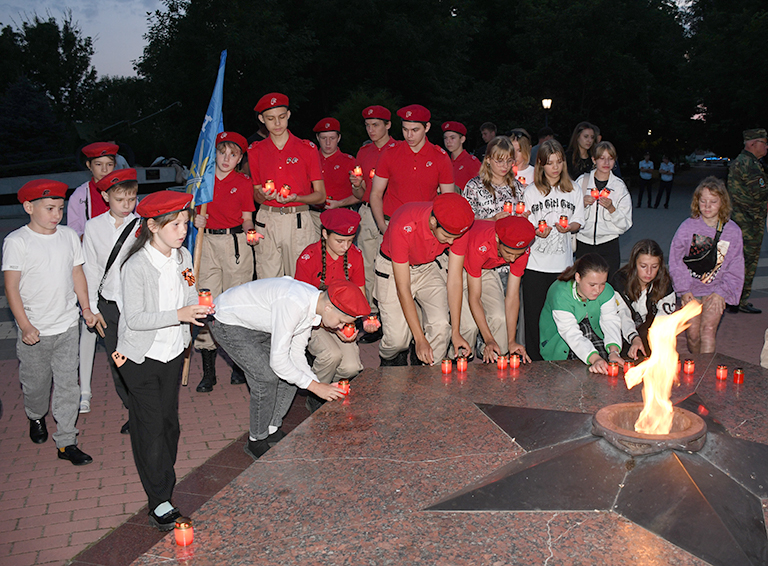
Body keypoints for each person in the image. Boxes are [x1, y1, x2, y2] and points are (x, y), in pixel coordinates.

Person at [115, 190, 210, 531]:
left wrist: (196, 307)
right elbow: (136, 318)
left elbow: (189, 288)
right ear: (152, 226)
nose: (183, 230)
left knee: (170, 424)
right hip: (139, 358)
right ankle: (160, 501)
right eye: (175, 225)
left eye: (185, 223)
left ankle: (161, 483)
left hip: (173, 353)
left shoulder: (183, 257)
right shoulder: (136, 267)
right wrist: (180, 313)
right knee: (151, 427)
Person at [211, 278, 369, 459]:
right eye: (342, 321)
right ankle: (256, 440)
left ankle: (272, 428)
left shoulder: (312, 306)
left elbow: (296, 353)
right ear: (329, 307)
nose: (341, 327)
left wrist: (316, 384)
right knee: (266, 378)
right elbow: (279, 362)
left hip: (255, 324)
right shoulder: (294, 304)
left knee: (294, 373)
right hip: (227, 321)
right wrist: (315, 387)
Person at [3, 179, 97, 464]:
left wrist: (86, 308)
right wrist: (26, 325)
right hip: (35, 332)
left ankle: (66, 441)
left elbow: (77, 274)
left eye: (60, 208)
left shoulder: (69, 236)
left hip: (67, 325)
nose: (57, 214)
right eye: (49, 208)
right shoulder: (17, 242)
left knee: (68, 385)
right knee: (36, 386)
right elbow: (11, 288)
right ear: (29, 207)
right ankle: (35, 415)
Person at [375, 193, 474, 366]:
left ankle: (427, 376)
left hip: (428, 266)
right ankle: (390, 359)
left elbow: (455, 281)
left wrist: (456, 332)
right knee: (397, 340)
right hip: (392, 268)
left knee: (442, 327)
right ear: (434, 222)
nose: (451, 242)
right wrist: (419, 338)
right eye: (447, 237)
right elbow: (403, 287)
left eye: (455, 238)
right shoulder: (405, 223)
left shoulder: (458, 228)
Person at [192, 131, 256, 393]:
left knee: (236, 304)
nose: (226, 158)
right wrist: (194, 219)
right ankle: (209, 370)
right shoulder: (202, 180)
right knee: (207, 303)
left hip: (234, 245)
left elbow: (247, 217)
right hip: (206, 245)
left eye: (233, 154)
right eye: (222, 152)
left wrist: (251, 231)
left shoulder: (243, 182)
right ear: (214, 154)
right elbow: (190, 209)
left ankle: (239, 366)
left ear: (240, 158)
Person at [295, 209, 370, 412]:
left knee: (352, 367)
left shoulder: (355, 256)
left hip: (341, 321)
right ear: (324, 234)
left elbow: (359, 298)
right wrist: (334, 328)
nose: (345, 247)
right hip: (313, 320)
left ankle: (331, 387)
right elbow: (300, 304)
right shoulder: (309, 257)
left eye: (350, 240)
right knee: (331, 355)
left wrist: (355, 325)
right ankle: (316, 396)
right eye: (339, 241)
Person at [82, 169, 139, 430]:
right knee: (118, 360)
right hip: (109, 306)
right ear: (105, 196)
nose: (127, 205)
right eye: (120, 200)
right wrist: (92, 308)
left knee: (141, 358)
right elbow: (91, 268)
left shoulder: (143, 224)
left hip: (137, 304)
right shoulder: (93, 227)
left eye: (132, 199)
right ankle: (131, 408)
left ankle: (144, 409)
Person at [247, 92, 325, 278]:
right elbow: (256, 193)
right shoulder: (256, 150)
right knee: (268, 281)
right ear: (261, 119)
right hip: (267, 219)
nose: (277, 123)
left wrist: (297, 197)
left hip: (298, 219)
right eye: (270, 118)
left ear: (289, 115)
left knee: (300, 280)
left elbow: (320, 195)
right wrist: (264, 196)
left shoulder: (307, 149)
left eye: (282, 117)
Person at [522, 140, 585, 361]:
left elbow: (579, 220)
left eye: (559, 162)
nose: (555, 168)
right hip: (535, 266)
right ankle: (533, 360)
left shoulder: (574, 188)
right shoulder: (531, 192)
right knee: (534, 316)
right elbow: (525, 224)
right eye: (549, 163)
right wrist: (535, 232)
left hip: (563, 267)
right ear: (540, 165)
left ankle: (559, 359)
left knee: (562, 317)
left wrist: (569, 227)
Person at [69, 142, 118, 414]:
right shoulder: (80, 196)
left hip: (118, 268)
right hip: (90, 266)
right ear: (89, 166)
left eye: (109, 165)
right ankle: (84, 391)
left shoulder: (119, 191)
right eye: (99, 165)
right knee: (88, 328)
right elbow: (73, 232)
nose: (104, 170)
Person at [669, 176, 744, 354]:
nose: (707, 206)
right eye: (703, 201)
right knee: (693, 335)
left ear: (722, 203)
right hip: (691, 289)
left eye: (713, 201)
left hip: (716, 290)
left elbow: (736, 266)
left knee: (708, 331)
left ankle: (706, 376)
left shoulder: (732, 231)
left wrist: (722, 293)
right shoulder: (687, 227)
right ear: (697, 201)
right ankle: (697, 368)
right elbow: (675, 260)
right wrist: (684, 290)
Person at [447, 216, 535, 363]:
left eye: (517, 255)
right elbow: (474, 298)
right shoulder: (481, 242)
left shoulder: (521, 250)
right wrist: (488, 339)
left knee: (500, 318)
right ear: (497, 239)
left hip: (485, 268)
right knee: (469, 326)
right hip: (459, 266)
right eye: (508, 253)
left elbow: (512, 297)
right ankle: (454, 360)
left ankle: (497, 361)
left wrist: (511, 341)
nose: (512, 260)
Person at [370, 104, 454, 236]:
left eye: (415, 130)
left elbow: (448, 199)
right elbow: (376, 193)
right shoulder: (389, 153)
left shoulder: (440, 157)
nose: (409, 135)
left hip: (425, 227)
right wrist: (382, 226)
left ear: (427, 127)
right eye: (405, 129)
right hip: (393, 223)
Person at [539, 253, 623, 374]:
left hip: (592, 331)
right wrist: (596, 359)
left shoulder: (607, 291)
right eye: (592, 285)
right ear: (578, 278)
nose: (598, 290)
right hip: (560, 340)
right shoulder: (560, 294)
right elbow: (570, 332)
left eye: (602, 283)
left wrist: (614, 352)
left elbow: (610, 320)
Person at [355, 105, 397, 337]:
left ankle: (391, 314)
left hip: (391, 214)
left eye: (376, 125)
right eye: (368, 125)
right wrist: (356, 184)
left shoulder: (399, 149)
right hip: (367, 213)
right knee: (367, 266)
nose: (371, 130)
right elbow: (360, 189)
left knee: (389, 266)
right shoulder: (364, 152)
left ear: (388, 125)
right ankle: (372, 317)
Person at [574, 141, 633, 277]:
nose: (606, 162)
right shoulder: (582, 181)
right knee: (584, 284)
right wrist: (581, 204)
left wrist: (612, 209)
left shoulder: (619, 187)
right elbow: (569, 213)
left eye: (610, 158)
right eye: (602, 158)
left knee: (608, 285)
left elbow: (626, 224)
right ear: (594, 159)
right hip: (584, 243)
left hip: (609, 244)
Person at [611, 239, 676, 359]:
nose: (649, 272)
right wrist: (634, 338)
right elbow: (622, 315)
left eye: (654, 267)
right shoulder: (620, 281)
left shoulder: (665, 283)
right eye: (643, 266)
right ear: (634, 264)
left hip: (651, 334)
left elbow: (663, 320)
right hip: (622, 333)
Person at [727, 128, 768, 314]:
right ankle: (738, 301)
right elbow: (760, 194)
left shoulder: (743, 162)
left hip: (741, 221)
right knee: (747, 263)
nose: (766, 146)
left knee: (738, 261)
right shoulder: (750, 165)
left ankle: (735, 300)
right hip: (749, 223)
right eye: (764, 142)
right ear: (752, 144)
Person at [310, 117, 362, 234]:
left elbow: (360, 195)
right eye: (324, 138)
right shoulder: (309, 160)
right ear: (317, 138)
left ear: (339, 138)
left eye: (332, 138)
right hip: (313, 217)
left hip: (341, 216)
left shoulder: (350, 162)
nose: (328, 143)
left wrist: (339, 204)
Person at [463, 136, 524, 219]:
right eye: (500, 161)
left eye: (509, 161)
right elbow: (466, 220)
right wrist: (492, 220)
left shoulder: (517, 186)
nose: (505, 166)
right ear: (488, 159)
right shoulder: (474, 187)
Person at [442, 121, 481, 191]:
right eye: (445, 138)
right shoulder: (445, 162)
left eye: (452, 138)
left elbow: (481, 188)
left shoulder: (471, 162)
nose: (448, 141)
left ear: (462, 139)